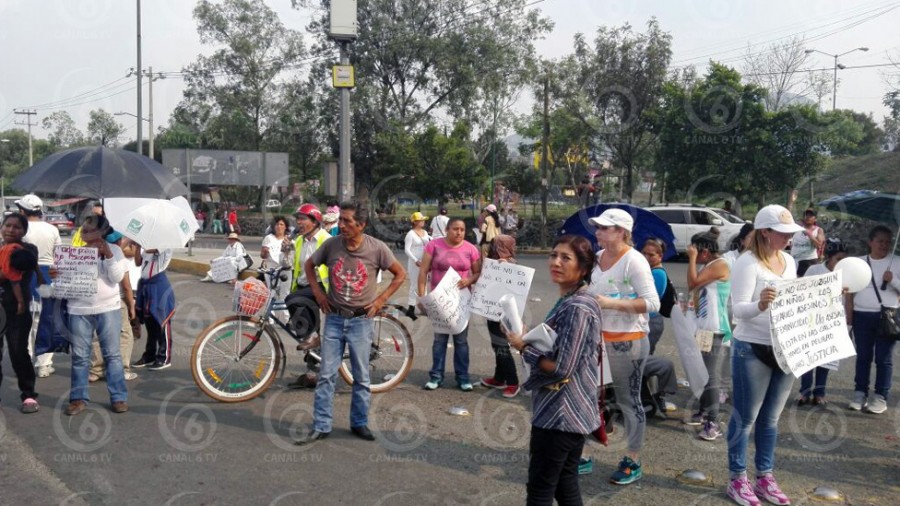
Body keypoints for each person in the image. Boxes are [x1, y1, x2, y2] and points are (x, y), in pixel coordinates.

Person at [502, 234, 602, 505]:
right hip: (566, 411)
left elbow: (562, 367)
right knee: (564, 484)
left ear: (582, 268)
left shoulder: (578, 306)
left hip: (561, 414)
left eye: (565, 258)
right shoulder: (573, 300)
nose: (556, 262)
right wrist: (526, 336)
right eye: (554, 255)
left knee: (540, 490)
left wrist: (523, 347)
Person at [296, 202, 406, 444]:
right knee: (326, 375)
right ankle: (321, 425)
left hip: (361, 321)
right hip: (334, 319)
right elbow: (309, 265)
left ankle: (359, 423)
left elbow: (400, 274)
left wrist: (380, 301)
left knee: (361, 376)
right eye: (341, 221)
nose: (341, 225)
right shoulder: (331, 245)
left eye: (347, 221)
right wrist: (319, 293)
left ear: (361, 225)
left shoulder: (377, 249)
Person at [726, 204, 802, 506]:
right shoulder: (747, 262)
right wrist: (760, 304)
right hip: (752, 347)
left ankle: (765, 476)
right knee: (746, 418)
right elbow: (736, 310)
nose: (788, 238)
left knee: (771, 420)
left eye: (790, 233)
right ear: (765, 232)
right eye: (782, 233)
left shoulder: (790, 260)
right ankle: (737, 478)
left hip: (785, 346)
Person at [588, 208, 659, 486]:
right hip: (596, 340)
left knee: (629, 402)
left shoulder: (635, 261)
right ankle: (583, 453)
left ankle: (632, 459)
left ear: (621, 232)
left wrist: (612, 303)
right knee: (589, 398)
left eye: (604, 228)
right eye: (598, 227)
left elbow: (652, 303)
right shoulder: (596, 258)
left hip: (627, 343)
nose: (598, 232)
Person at [62, 214, 130, 416]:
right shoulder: (74, 253)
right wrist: (58, 274)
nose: (85, 233)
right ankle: (78, 398)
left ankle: (118, 397)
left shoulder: (115, 250)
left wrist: (108, 254)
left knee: (113, 355)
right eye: (84, 229)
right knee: (81, 357)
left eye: (90, 229)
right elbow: (64, 284)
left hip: (108, 308)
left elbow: (117, 277)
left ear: (101, 232)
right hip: (79, 310)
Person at [418, 217, 482, 392]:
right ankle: (436, 377)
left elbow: (478, 273)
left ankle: (463, 378)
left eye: (462, 229)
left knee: (461, 341)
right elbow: (423, 271)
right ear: (447, 229)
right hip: (439, 301)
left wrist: (468, 280)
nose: (459, 233)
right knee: (440, 340)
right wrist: (421, 296)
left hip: (461, 302)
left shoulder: (471, 249)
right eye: (455, 229)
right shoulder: (434, 246)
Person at [685, 228, 732, 441]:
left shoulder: (720, 265)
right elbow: (695, 290)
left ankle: (713, 422)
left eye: (695, 250)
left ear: (704, 251)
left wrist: (692, 260)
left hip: (715, 329)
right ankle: (703, 412)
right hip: (703, 328)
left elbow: (692, 282)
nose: (692, 253)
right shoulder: (709, 265)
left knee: (710, 375)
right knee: (702, 371)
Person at [848, 225, 900, 414]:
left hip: (887, 316)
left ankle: (880, 397)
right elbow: (849, 291)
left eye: (888, 241)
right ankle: (859, 393)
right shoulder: (859, 262)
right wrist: (849, 316)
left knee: (883, 359)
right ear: (870, 242)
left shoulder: (897, 262)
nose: (884, 245)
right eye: (880, 241)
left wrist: (893, 280)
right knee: (863, 357)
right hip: (862, 315)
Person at [284, 204, 331, 387]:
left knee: (292, 301)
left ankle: (311, 337)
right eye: (298, 219)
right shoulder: (298, 241)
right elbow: (288, 265)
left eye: (303, 218)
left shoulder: (326, 240)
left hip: (321, 287)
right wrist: (285, 251)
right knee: (309, 333)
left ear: (314, 221)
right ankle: (312, 374)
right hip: (304, 286)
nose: (299, 222)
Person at [797, 238, 848, 407]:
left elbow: (848, 299)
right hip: (812, 320)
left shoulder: (847, 274)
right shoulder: (814, 269)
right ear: (829, 258)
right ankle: (804, 392)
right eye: (838, 259)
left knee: (825, 360)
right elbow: (802, 292)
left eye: (844, 259)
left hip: (832, 322)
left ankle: (820, 393)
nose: (841, 263)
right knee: (808, 358)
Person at [16, 194, 61, 379]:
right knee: (46, 320)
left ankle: (26, 359)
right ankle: (44, 363)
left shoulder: (21, 229)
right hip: (48, 276)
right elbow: (58, 256)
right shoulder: (52, 229)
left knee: (26, 320)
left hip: (26, 276)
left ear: (21, 211)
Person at [0, 213, 40, 413]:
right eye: (8, 225)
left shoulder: (28, 250)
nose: (11, 230)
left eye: (17, 227)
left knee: (18, 352)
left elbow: (19, 266)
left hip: (17, 310)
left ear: (24, 231)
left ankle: (29, 395)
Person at [89, 233, 140, 382]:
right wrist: (131, 306)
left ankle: (96, 370)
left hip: (95, 300)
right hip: (116, 300)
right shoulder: (116, 253)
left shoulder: (87, 251)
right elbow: (126, 285)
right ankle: (122, 369)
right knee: (125, 333)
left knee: (98, 334)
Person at [480, 235, 520, 398]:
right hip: (492, 311)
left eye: (496, 245)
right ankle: (499, 377)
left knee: (502, 346)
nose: (493, 248)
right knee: (497, 345)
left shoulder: (510, 265)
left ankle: (512, 382)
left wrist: (505, 267)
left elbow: (515, 288)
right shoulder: (494, 263)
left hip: (504, 314)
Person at [132, 247, 176, 371]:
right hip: (147, 286)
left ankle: (164, 357)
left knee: (162, 323)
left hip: (159, 287)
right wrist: (137, 248)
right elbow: (137, 262)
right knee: (150, 324)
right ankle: (149, 355)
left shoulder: (165, 247)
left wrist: (142, 243)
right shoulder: (146, 250)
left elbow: (155, 249)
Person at [641, 237, 669, 355]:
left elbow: (648, 299)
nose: (647, 257)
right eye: (644, 253)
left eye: (651, 255)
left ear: (660, 256)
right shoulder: (648, 270)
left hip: (651, 320)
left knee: (645, 357)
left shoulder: (657, 273)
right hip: (647, 319)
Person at [404, 211, 431, 319]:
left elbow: (430, 242)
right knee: (415, 284)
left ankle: (423, 306)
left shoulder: (425, 232)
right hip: (415, 262)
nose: (423, 221)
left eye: (424, 220)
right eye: (421, 220)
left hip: (425, 260)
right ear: (415, 222)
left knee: (424, 284)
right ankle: (411, 308)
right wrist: (415, 260)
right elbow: (407, 250)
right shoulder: (410, 234)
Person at [260, 216, 293, 303]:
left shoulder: (289, 240)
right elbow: (262, 255)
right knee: (271, 295)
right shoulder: (268, 238)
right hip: (271, 271)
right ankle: (270, 316)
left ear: (285, 227)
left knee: (284, 296)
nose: (279, 226)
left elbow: (292, 258)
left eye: (281, 224)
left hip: (285, 272)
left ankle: (284, 316)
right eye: (277, 224)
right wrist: (265, 252)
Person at [791, 208, 825, 276]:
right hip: (794, 260)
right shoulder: (797, 228)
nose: (808, 217)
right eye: (806, 215)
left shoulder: (818, 230)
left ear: (815, 219)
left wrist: (809, 234)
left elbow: (819, 245)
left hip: (809, 261)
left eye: (810, 215)